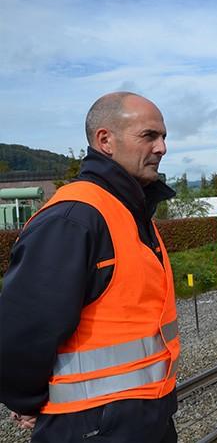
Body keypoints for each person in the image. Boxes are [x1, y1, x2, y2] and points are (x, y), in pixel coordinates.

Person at [0, 92, 180, 442]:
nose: (162, 148)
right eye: (149, 136)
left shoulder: (130, 211)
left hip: (142, 417)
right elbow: (22, 330)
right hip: (89, 427)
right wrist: (26, 400)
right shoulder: (74, 218)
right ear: (105, 140)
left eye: (163, 138)